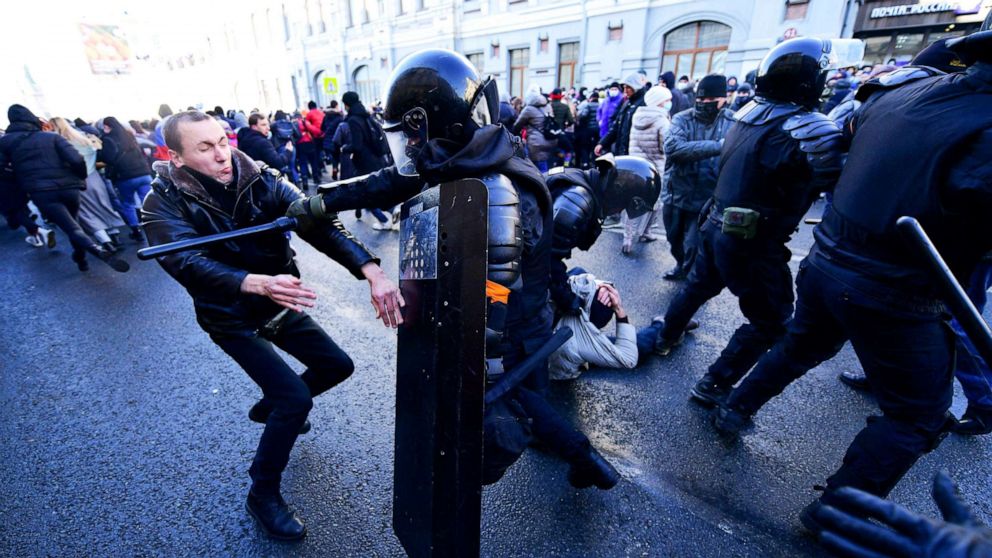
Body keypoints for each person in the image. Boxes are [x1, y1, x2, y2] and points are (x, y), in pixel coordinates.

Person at [291, 48, 620, 490]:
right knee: (526, 401)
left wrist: (486, 370)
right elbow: (393, 180)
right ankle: (565, 447)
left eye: (409, 134)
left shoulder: (494, 187)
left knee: (512, 400)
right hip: (503, 312)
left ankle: (585, 459)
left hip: (513, 323)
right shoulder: (464, 153)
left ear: (429, 124)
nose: (407, 146)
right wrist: (323, 198)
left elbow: (497, 289)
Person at [710, 31, 992, 534]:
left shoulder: (890, 92)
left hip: (830, 263)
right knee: (918, 416)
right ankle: (836, 514)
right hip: (896, 289)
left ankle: (735, 404)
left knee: (797, 345)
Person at [140, 110, 402, 540]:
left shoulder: (258, 175)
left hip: (278, 298)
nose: (222, 154)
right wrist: (252, 283)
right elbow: (183, 261)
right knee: (296, 400)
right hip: (229, 316)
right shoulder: (162, 201)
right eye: (205, 148)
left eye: (222, 141)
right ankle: (262, 493)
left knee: (337, 366)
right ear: (178, 157)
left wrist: (371, 269)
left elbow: (315, 222)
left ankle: (270, 407)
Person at [646, 38, 856, 411]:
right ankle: (715, 382)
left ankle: (666, 336)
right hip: (753, 240)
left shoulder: (747, 116)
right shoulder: (803, 127)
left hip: (718, 224)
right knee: (771, 321)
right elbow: (846, 185)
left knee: (697, 287)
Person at [0, 105, 128, 272]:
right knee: (74, 224)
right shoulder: (51, 137)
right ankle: (81, 258)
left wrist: (21, 178)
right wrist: (80, 178)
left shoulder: (6, 142)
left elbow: (2, 169)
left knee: (71, 227)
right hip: (69, 187)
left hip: (41, 191)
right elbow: (76, 159)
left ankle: (97, 249)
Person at [546, 155, 661, 316]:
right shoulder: (577, 203)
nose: (620, 211)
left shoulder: (583, 184)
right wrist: (571, 302)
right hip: (522, 276)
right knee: (599, 310)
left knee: (581, 274)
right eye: (623, 206)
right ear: (618, 192)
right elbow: (547, 261)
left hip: (526, 263)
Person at [659, 74, 734, 280]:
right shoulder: (682, 118)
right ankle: (680, 263)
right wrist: (718, 146)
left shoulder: (733, 123)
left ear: (724, 99)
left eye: (711, 101)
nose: (704, 104)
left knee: (693, 242)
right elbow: (674, 148)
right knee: (673, 238)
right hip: (676, 193)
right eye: (701, 100)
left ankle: (689, 275)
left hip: (706, 197)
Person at [50, 117, 125, 252]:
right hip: (94, 177)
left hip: (74, 181)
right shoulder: (82, 138)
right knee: (104, 205)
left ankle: (106, 242)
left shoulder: (55, 143)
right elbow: (96, 152)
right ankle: (116, 236)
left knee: (86, 213)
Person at [549, 273, 637, 380]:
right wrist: (619, 310)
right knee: (639, 343)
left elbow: (577, 279)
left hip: (542, 340)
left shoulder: (564, 294)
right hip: (557, 373)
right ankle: (658, 328)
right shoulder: (582, 344)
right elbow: (629, 358)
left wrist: (604, 287)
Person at [622, 84, 672, 254]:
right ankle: (645, 232)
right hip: (655, 168)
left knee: (632, 201)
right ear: (660, 102)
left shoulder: (638, 115)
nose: (669, 103)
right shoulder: (662, 121)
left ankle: (627, 240)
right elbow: (666, 148)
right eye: (667, 100)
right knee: (655, 202)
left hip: (635, 167)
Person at [101, 115, 153, 242]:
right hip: (143, 173)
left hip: (124, 177)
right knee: (149, 201)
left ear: (107, 126)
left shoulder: (108, 139)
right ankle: (156, 225)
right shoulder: (129, 135)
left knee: (128, 204)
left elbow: (108, 158)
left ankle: (136, 231)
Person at [595, 73, 648, 157]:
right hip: (621, 150)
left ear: (635, 87)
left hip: (634, 152)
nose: (625, 90)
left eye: (628, 87)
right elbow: (616, 126)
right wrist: (602, 143)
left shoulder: (644, 103)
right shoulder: (626, 103)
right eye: (624, 87)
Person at [512, 91, 556, 173]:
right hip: (551, 139)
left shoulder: (528, 109)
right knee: (547, 163)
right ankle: (549, 180)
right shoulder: (548, 107)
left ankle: (541, 183)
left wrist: (514, 133)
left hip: (536, 142)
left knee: (537, 167)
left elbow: (517, 125)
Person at [270, 110, 301, 184]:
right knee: (292, 167)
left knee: (281, 168)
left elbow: (270, 135)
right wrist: (292, 141)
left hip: (279, 147)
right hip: (291, 146)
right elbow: (298, 135)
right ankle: (297, 186)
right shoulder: (290, 123)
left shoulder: (273, 125)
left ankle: (284, 187)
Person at [548, 88, 574, 167]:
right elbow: (571, 120)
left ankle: (553, 165)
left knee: (551, 152)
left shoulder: (549, 106)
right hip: (561, 133)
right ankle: (566, 164)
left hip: (549, 134)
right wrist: (566, 125)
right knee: (569, 149)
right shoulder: (565, 107)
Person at [574, 92, 600, 169]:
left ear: (591, 98)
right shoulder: (600, 105)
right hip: (597, 129)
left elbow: (584, 115)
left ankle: (586, 163)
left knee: (586, 146)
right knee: (595, 147)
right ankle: (595, 162)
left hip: (588, 129)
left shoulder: (588, 105)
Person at [320, 101, 344, 180]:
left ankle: (334, 169)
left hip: (328, 140)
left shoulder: (326, 116)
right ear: (336, 106)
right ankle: (340, 171)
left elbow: (322, 128)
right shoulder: (340, 117)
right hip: (339, 139)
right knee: (340, 155)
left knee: (334, 156)